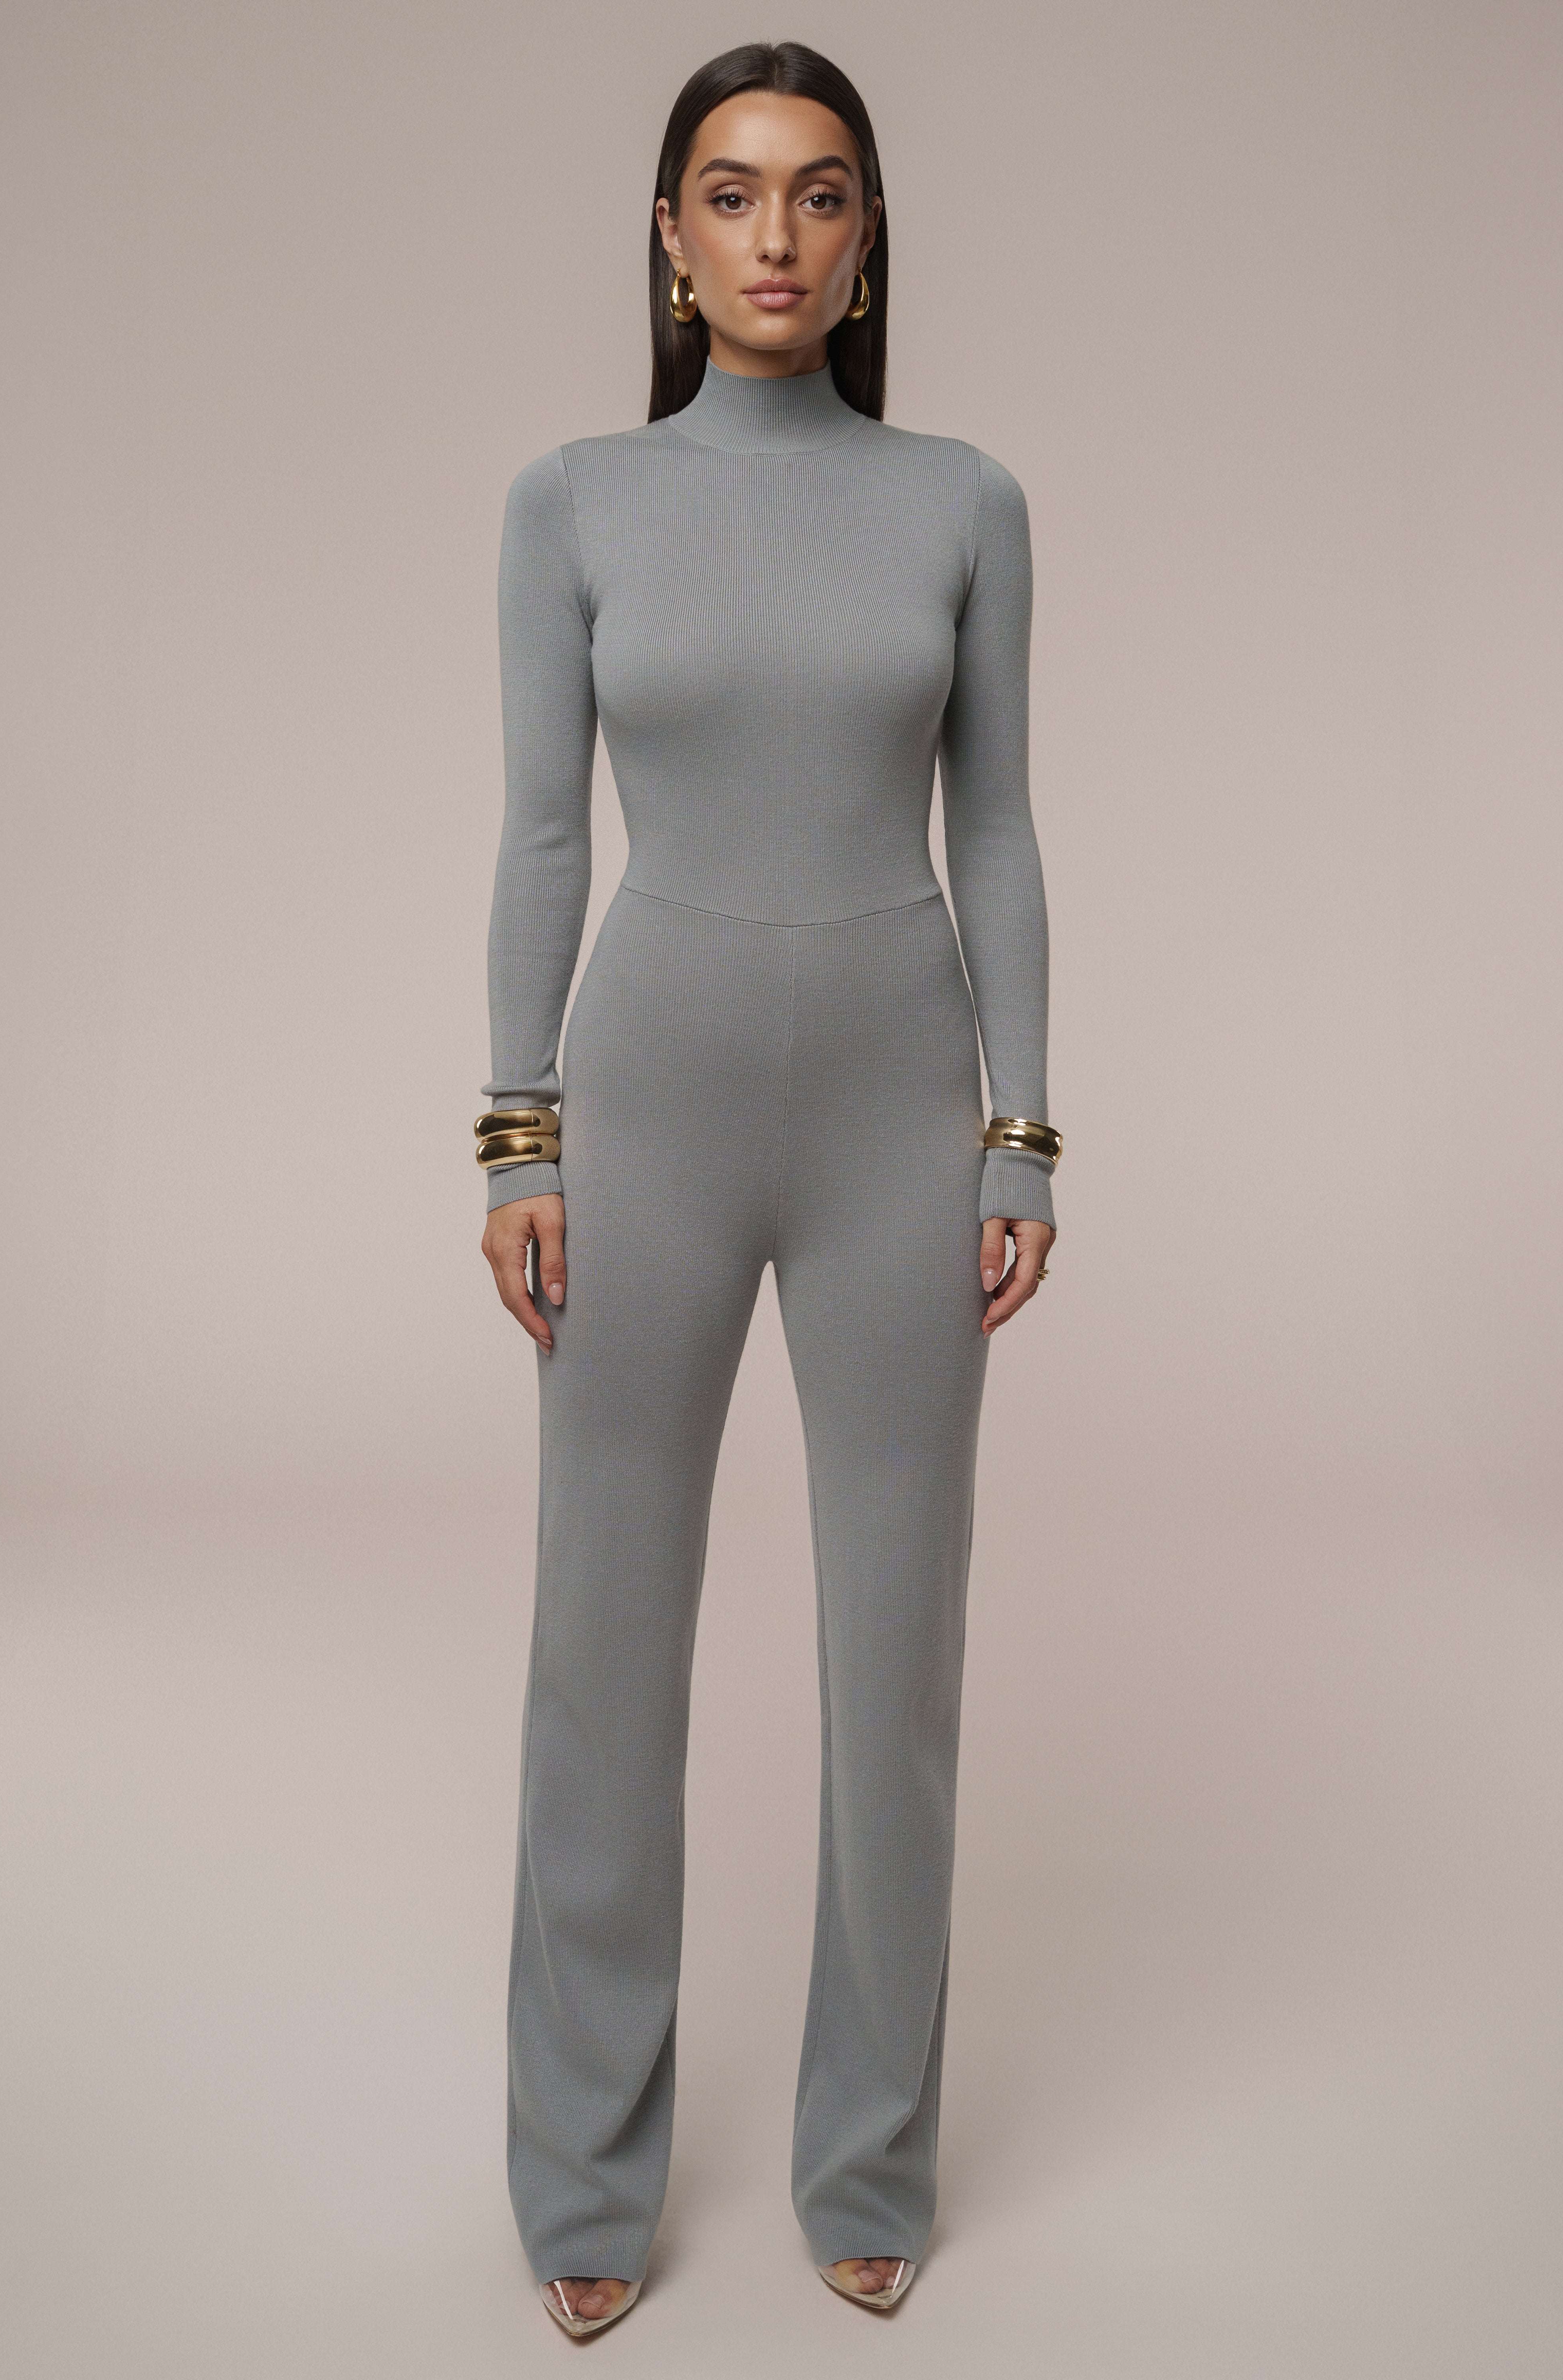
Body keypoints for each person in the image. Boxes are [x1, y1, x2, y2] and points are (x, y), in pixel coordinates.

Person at [478, 40, 1061, 2340]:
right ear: (669, 236)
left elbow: (996, 829)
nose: (777, 237)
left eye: (820, 195)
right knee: (600, 1658)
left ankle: (867, 2153)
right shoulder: (573, 503)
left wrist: (1023, 1127)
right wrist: (518, 1129)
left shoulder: (966, 503)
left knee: (895, 1660)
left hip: (900, 1115)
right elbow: (544, 834)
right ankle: (581, 2174)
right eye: (730, 195)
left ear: (869, 234)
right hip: (650, 1110)